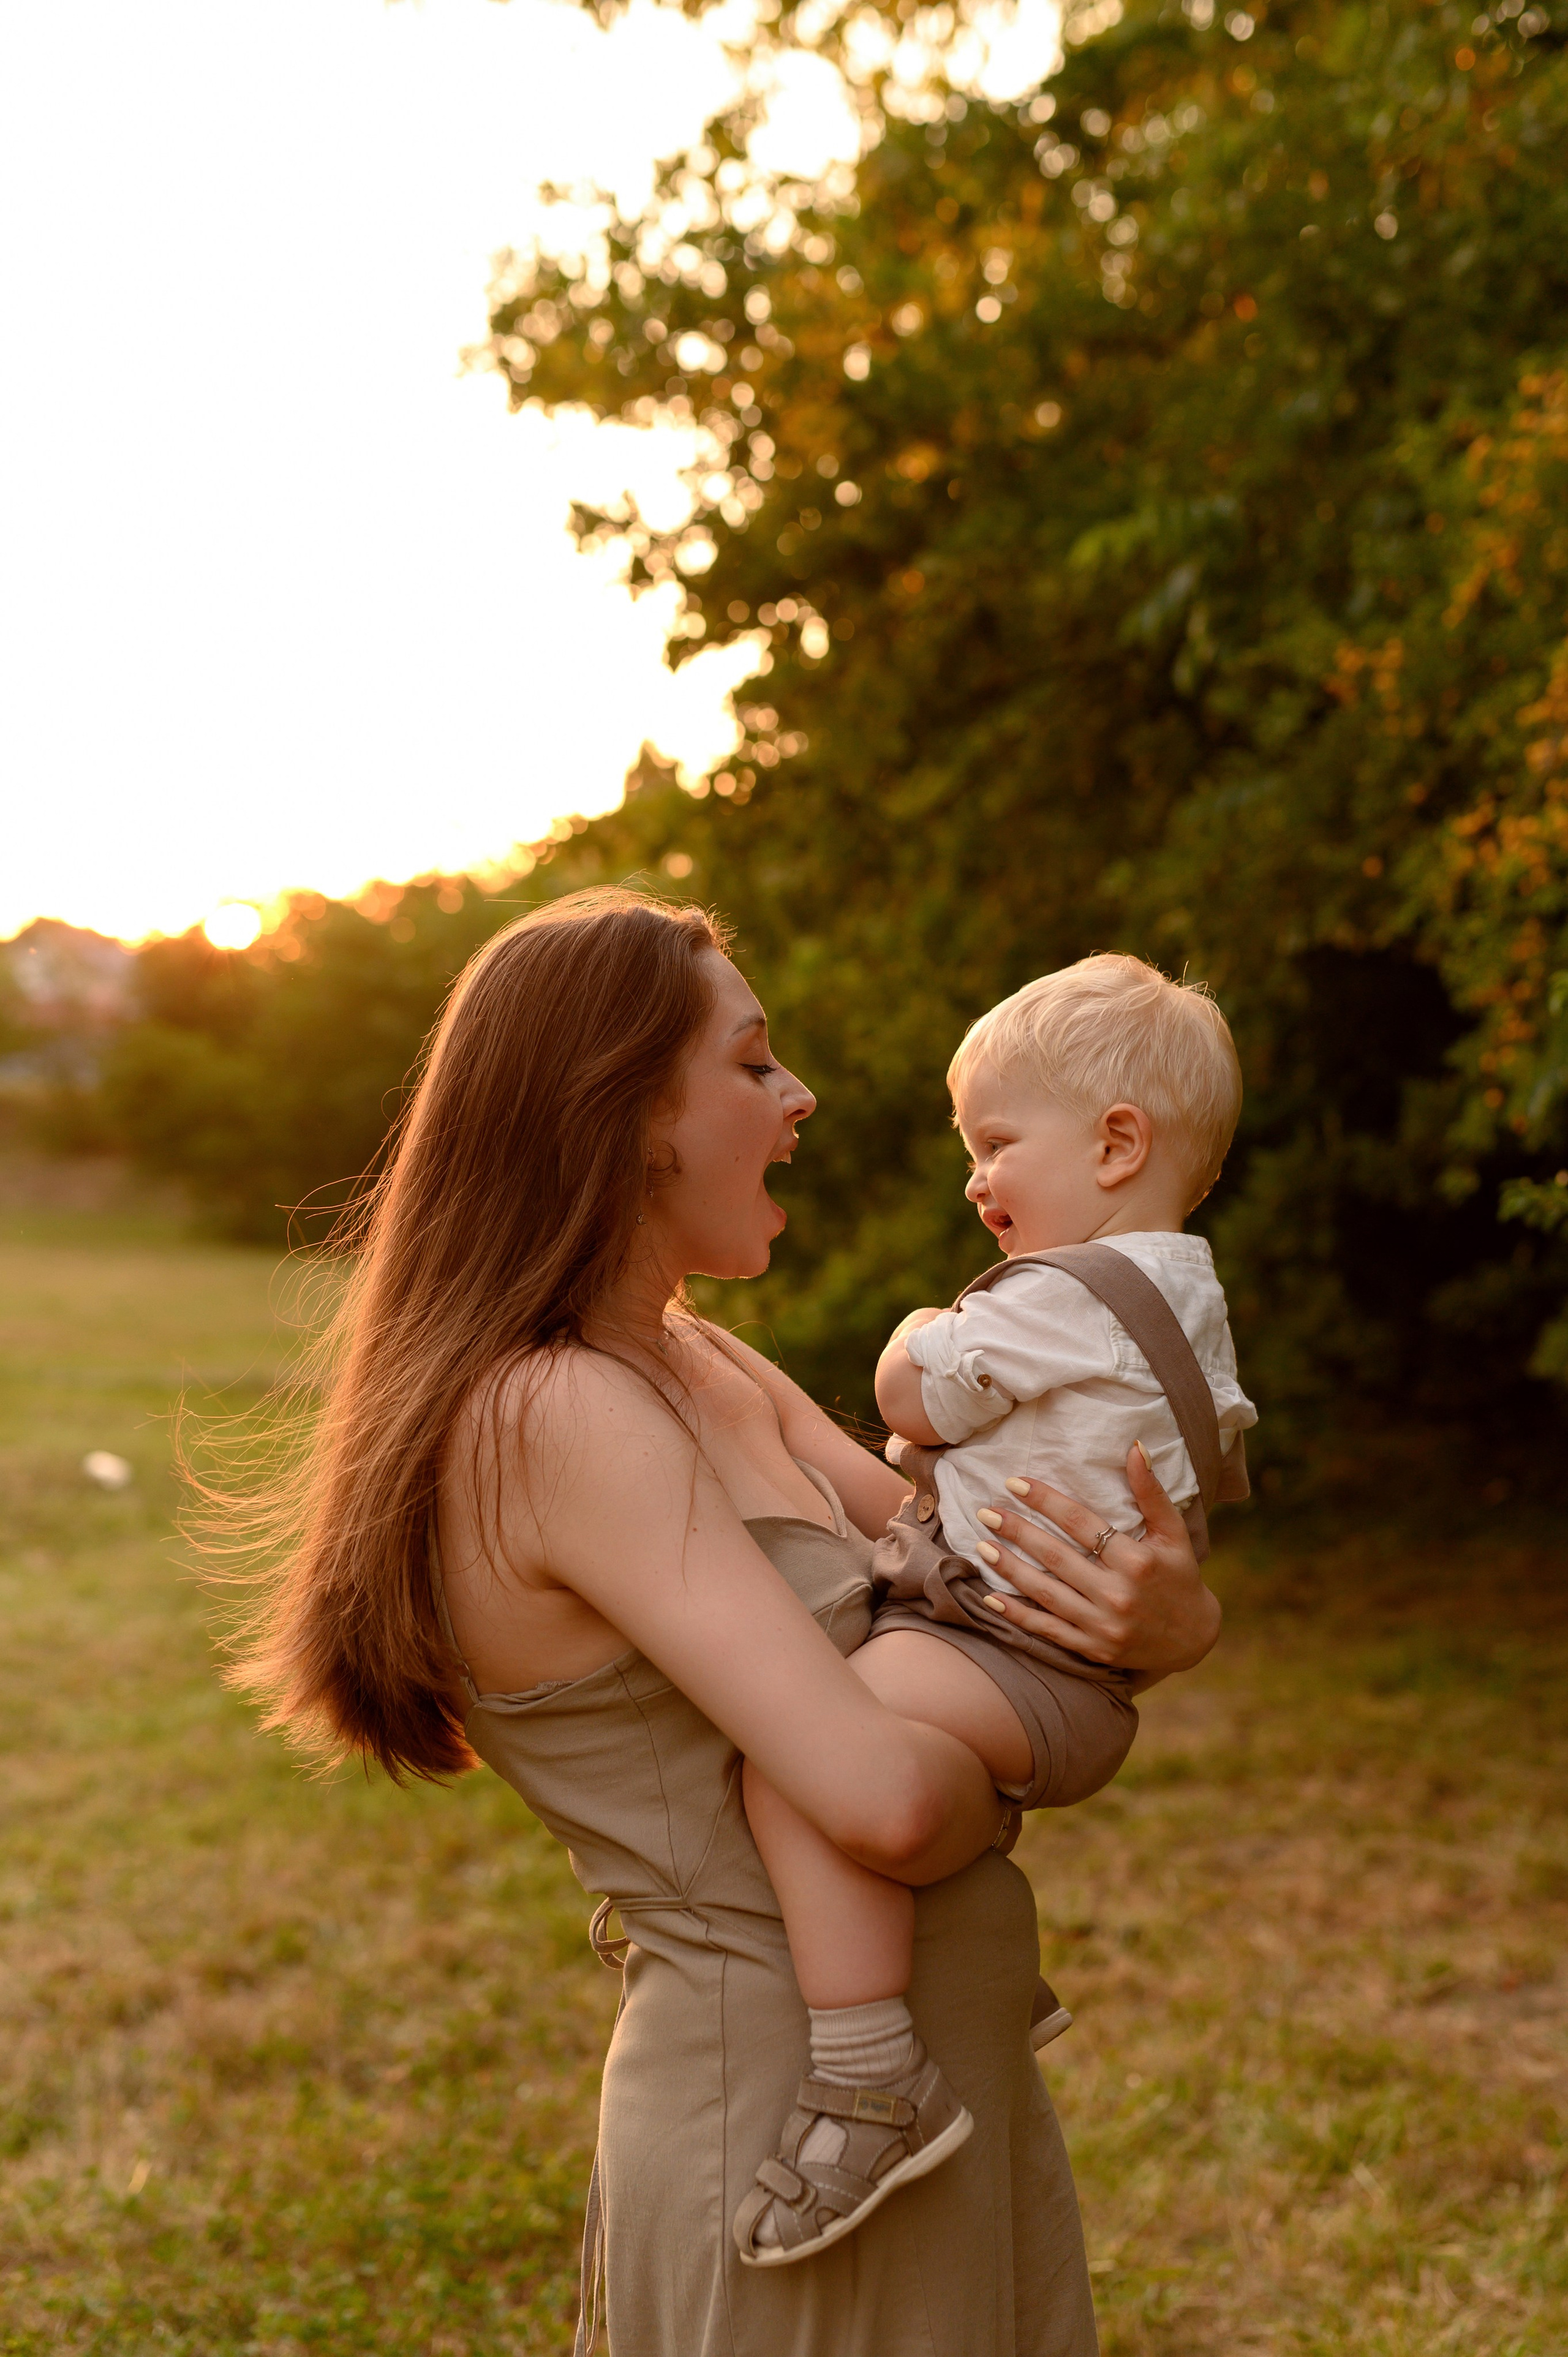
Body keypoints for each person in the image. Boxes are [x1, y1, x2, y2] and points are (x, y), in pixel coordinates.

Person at [230, 889, 1223, 2357]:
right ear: (628, 1112)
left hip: (937, 2100)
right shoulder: (554, 1412)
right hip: (788, 2119)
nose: (798, 1096)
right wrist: (1037, 1762)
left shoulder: (703, 1362)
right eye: (753, 1063)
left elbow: (984, 1578)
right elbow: (881, 1796)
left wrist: (1169, 1619)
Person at [735, 956, 1256, 2265]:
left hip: (1011, 1654)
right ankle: (968, 1949)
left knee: (798, 1762)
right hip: (1067, 1672)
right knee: (846, 1739)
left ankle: (867, 2076)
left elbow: (914, 1395)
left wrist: (913, 1327)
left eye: (994, 1144)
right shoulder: (1185, 1298)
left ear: (1116, 1142)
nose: (974, 1181)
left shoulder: (1060, 1300)